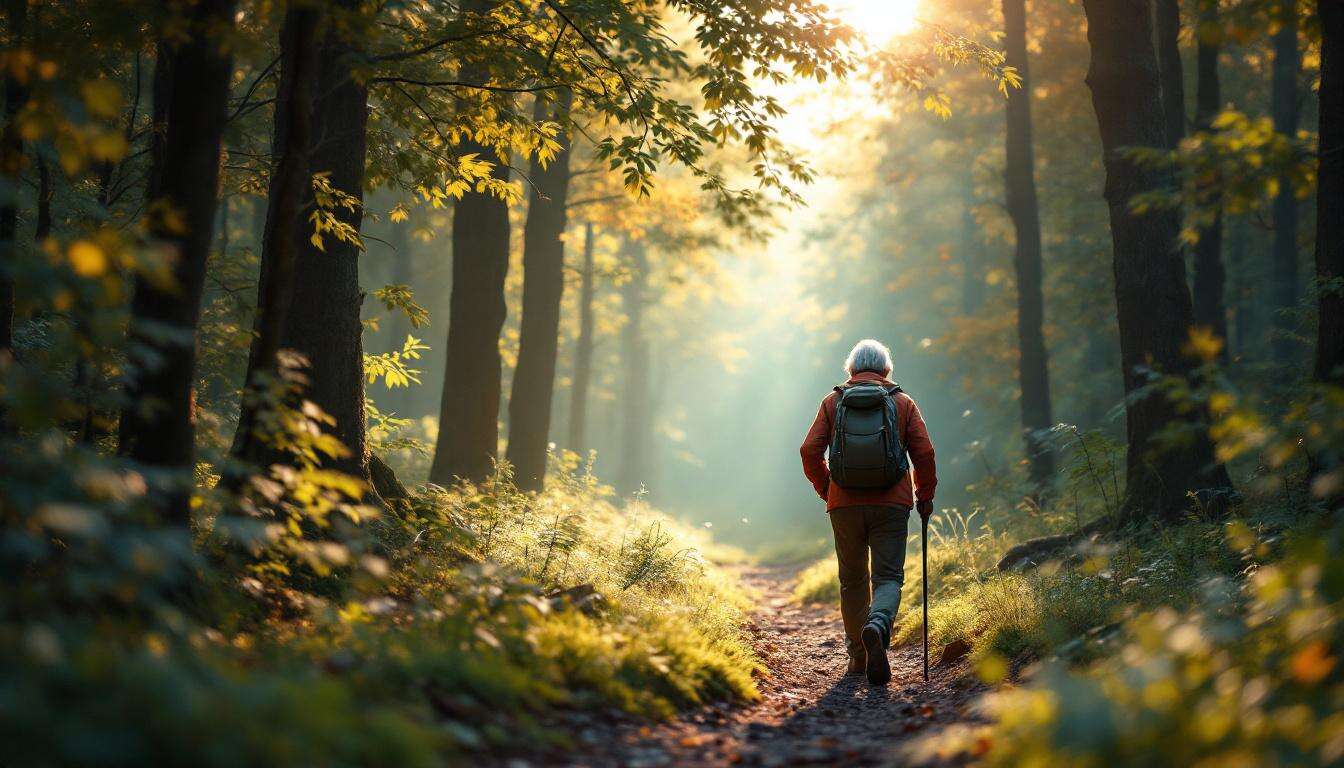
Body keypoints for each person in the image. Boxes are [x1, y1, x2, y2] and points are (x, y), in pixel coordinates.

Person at [799, 338, 937, 685]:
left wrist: (827, 487)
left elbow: (808, 450)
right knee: (888, 578)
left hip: (844, 504)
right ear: (886, 369)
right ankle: (878, 626)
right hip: (892, 504)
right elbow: (924, 453)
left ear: (851, 369)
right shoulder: (902, 402)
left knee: (852, 580)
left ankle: (859, 658)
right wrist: (925, 494)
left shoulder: (833, 402)